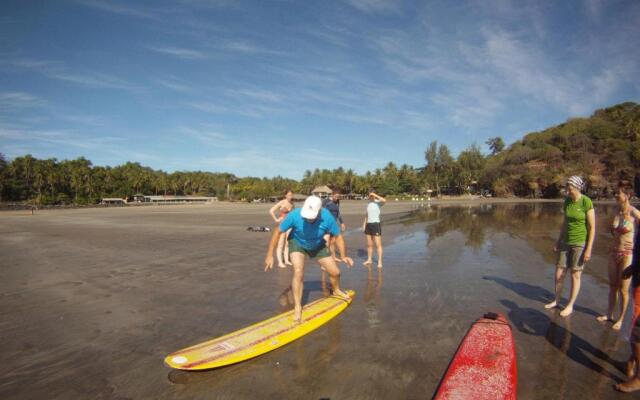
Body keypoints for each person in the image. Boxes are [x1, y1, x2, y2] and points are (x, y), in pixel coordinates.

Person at [265, 195, 354, 323]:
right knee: (298, 271)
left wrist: (344, 256)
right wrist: (269, 255)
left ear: (319, 212)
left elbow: (338, 236)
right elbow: (277, 232)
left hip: (318, 245)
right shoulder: (295, 215)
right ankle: (297, 306)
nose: (308, 219)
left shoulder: (327, 217)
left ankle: (336, 289)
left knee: (335, 272)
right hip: (297, 243)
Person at [544, 176, 595, 317]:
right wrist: (558, 240)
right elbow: (565, 223)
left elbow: (592, 228)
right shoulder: (567, 202)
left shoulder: (586, 202)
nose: (567, 190)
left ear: (577, 187)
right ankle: (557, 300)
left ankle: (570, 305)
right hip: (566, 241)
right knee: (559, 273)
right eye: (567, 187)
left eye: (570, 188)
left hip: (579, 243)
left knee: (575, 275)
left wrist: (589, 248)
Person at [597, 182, 640, 330]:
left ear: (627, 196)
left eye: (619, 193)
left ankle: (621, 319)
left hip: (627, 254)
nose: (616, 195)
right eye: (615, 193)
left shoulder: (634, 212)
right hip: (613, 252)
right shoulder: (617, 212)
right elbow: (613, 232)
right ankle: (609, 314)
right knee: (612, 286)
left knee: (623, 289)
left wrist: (635, 244)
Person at [616, 177, 640, 393]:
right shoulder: (622, 213)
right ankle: (632, 362)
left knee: (637, 329)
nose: (617, 197)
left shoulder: (635, 213)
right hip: (628, 262)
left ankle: (638, 376)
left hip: (632, 261)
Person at [269, 189, 294, 268]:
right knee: (280, 243)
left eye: (291, 195)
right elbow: (271, 210)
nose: (290, 196)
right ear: (285, 195)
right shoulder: (282, 202)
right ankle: (280, 262)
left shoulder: (292, 204)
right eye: (289, 195)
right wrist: (276, 219)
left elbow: (293, 214)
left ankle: (286, 260)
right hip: (282, 224)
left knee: (287, 243)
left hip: (290, 225)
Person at [363, 190, 386, 268]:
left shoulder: (378, 202)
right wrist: (364, 224)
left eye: (371, 195)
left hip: (376, 224)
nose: (370, 196)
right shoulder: (368, 203)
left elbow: (384, 200)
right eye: (370, 195)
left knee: (378, 245)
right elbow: (367, 214)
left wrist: (375, 195)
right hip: (368, 225)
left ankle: (379, 261)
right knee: (369, 245)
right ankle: (369, 259)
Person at [322, 188, 346, 260]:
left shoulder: (337, 201)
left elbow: (338, 212)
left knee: (333, 241)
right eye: (335, 196)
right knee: (327, 241)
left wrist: (342, 223)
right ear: (332, 195)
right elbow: (322, 212)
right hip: (327, 223)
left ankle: (333, 257)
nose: (336, 198)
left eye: (338, 197)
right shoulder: (326, 201)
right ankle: (325, 258)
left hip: (334, 224)